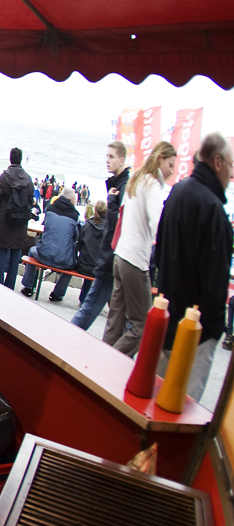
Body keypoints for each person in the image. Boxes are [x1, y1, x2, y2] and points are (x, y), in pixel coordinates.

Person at [153, 133, 234, 400]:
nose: (232, 175)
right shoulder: (213, 210)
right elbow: (215, 281)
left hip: (168, 315)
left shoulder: (178, 190)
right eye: (232, 166)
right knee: (182, 405)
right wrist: (213, 328)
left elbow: (160, 248)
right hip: (195, 329)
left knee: (156, 398)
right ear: (218, 162)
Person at [103, 141, 176, 355]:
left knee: (115, 321)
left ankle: (99, 365)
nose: (172, 171)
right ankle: (110, 364)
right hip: (135, 260)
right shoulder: (153, 185)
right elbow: (157, 224)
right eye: (170, 165)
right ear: (160, 159)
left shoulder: (136, 178)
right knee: (143, 325)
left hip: (121, 255)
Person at [71, 141, 130, 331]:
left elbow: (118, 225)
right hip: (113, 256)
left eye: (111, 157)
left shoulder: (123, 187)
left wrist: (112, 202)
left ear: (122, 160)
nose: (107, 160)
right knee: (120, 314)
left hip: (113, 256)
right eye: (106, 156)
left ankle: (65, 340)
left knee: (93, 307)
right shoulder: (119, 185)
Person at [0, 148, 34, 288]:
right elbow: (31, 199)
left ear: (10, 158)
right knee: (16, 250)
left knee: (3, 248)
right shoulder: (27, 178)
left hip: (5, 216)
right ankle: (10, 284)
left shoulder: (5, 176)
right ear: (21, 159)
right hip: (21, 218)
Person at [19, 187, 80, 300]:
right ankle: (58, 293)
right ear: (72, 200)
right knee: (74, 264)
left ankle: (28, 286)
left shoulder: (50, 209)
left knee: (32, 251)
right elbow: (76, 237)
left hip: (44, 255)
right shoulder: (75, 216)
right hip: (63, 260)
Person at [72, 199, 106, 305]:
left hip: (84, 266)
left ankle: (82, 298)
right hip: (100, 269)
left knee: (87, 260)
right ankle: (92, 300)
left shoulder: (87, 225)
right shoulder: (109, 229)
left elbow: (78, 246)